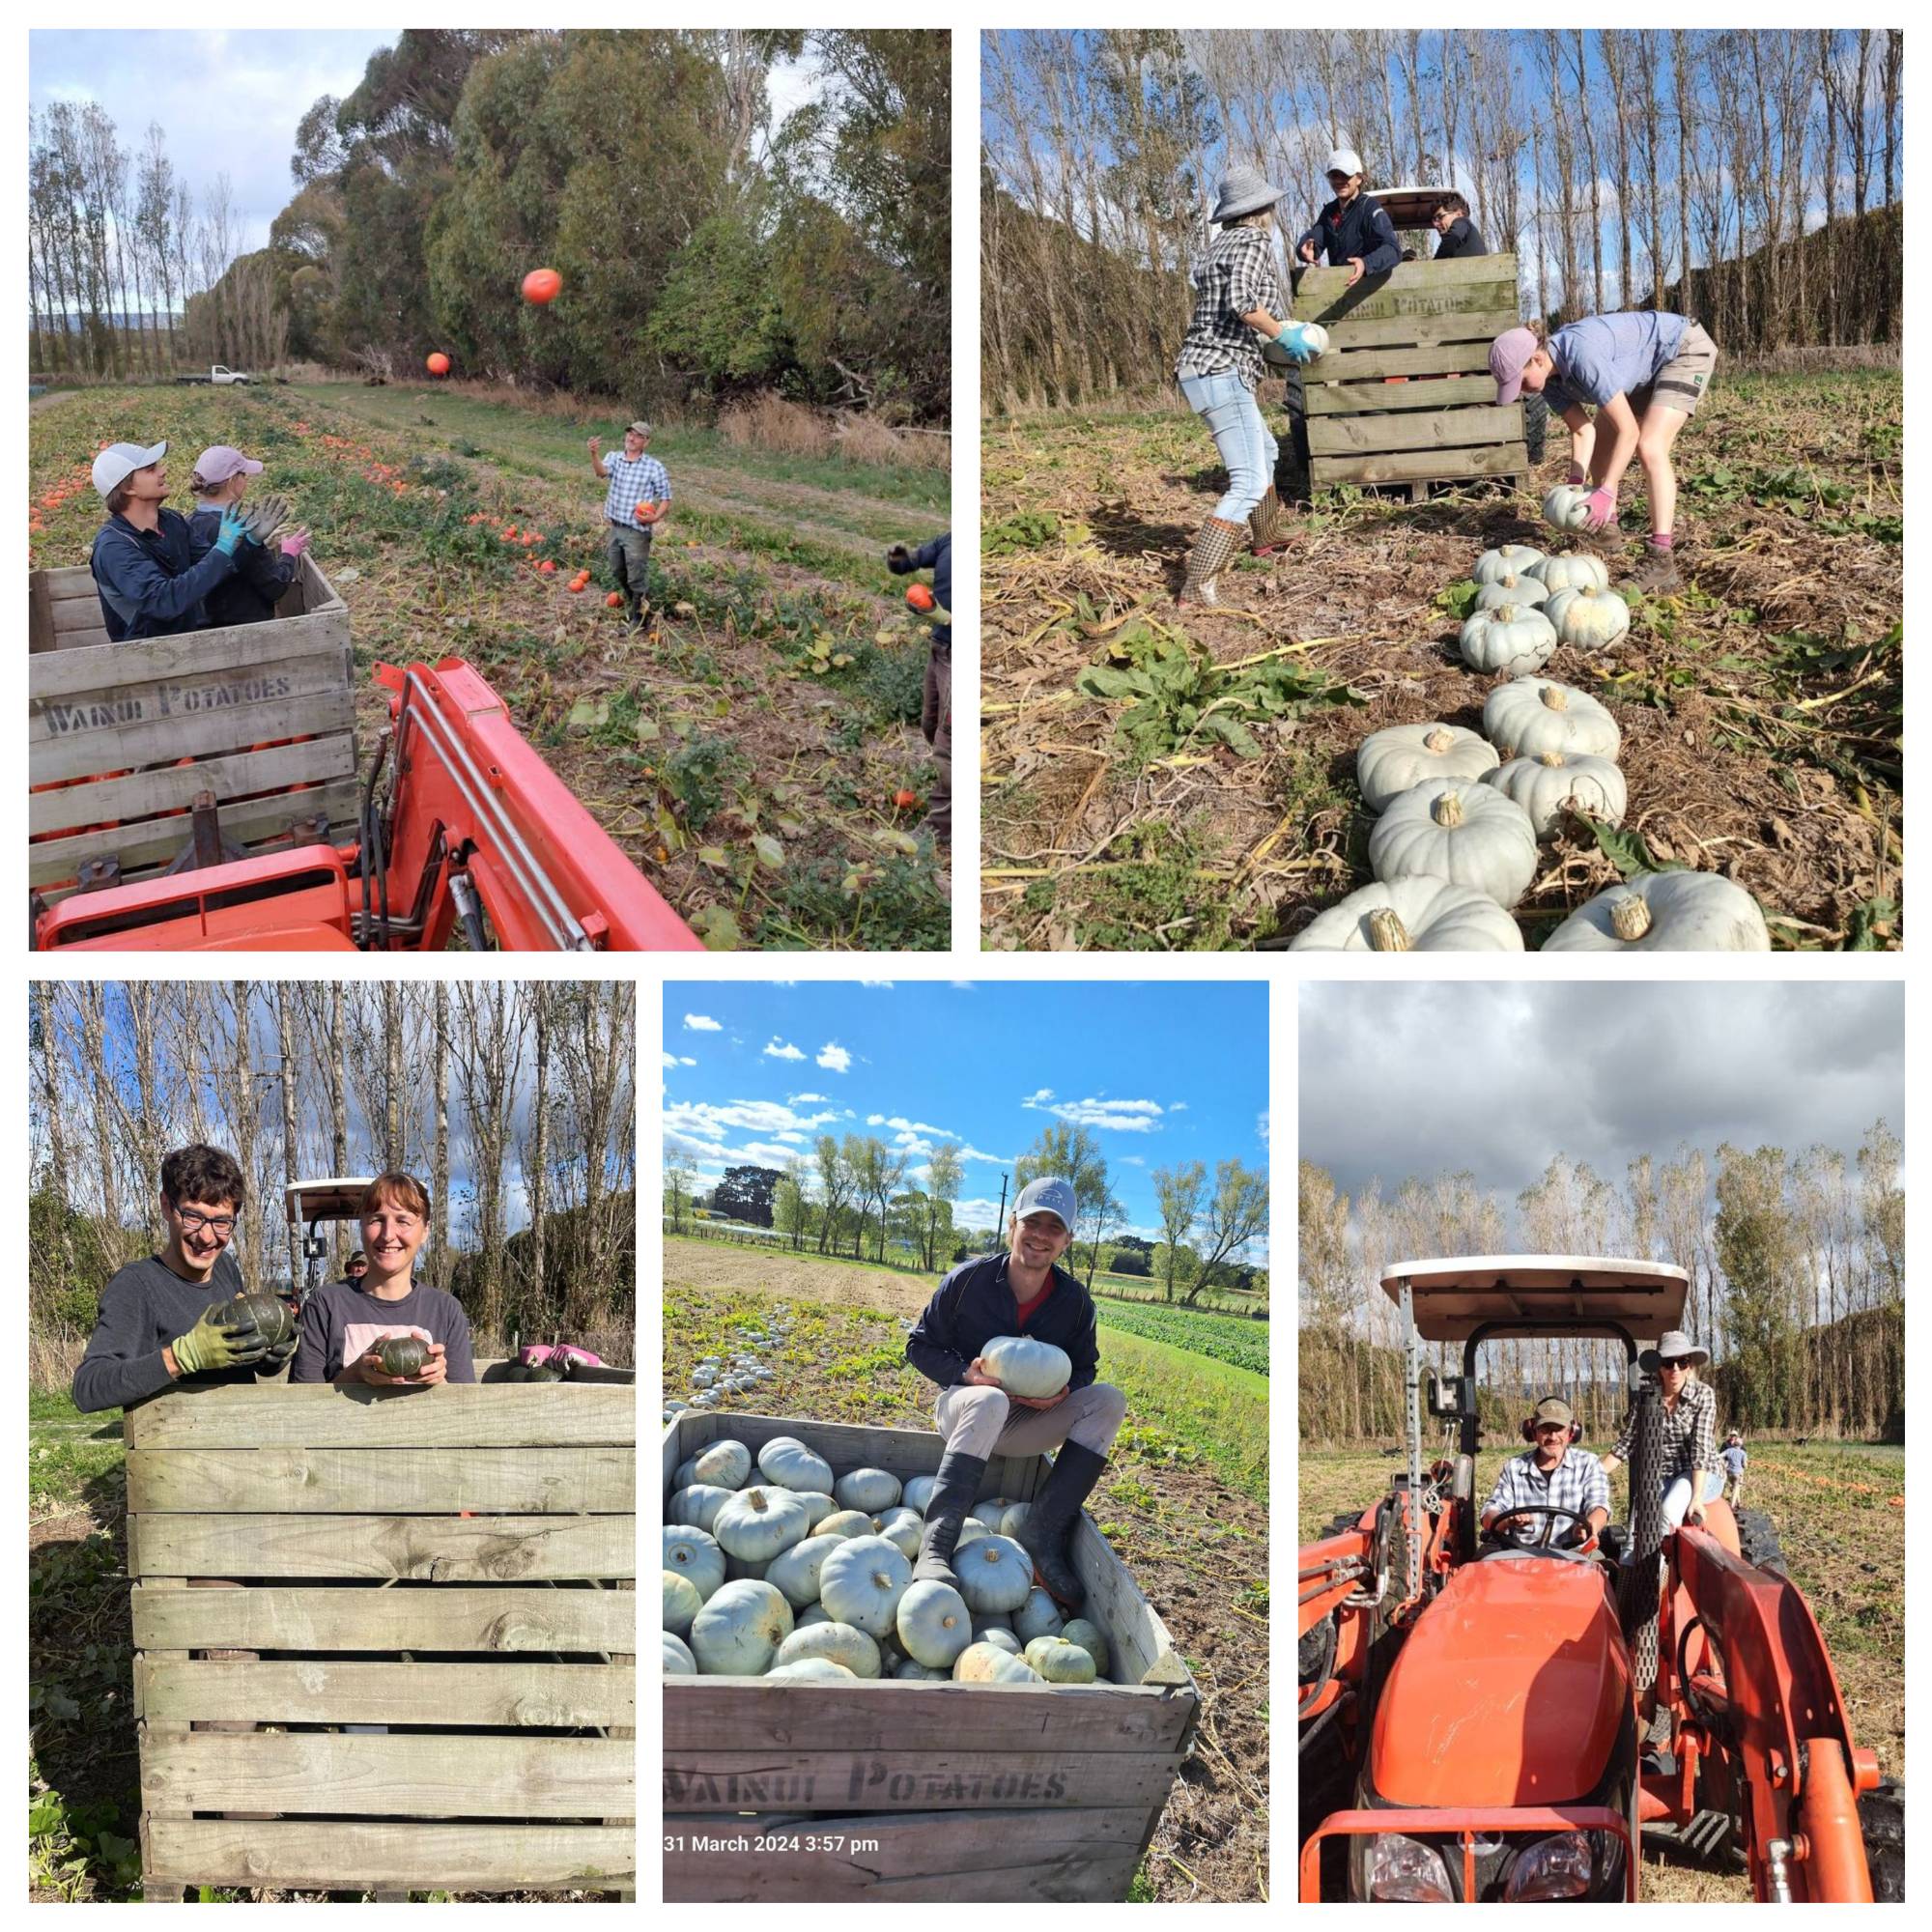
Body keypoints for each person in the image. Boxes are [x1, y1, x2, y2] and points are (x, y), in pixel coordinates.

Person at [903, 1178, 1127, 1610]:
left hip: (1028, 1424)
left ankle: (1042, 1533)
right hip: (966, 1412)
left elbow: (1085, 1368)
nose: (1041, 1235)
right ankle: (936, 1547)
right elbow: (919, 1345)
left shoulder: (1075, 1303)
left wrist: (1063, 1393)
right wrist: (964, 1375)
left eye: (1054, 1228)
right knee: (990, 1399)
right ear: (1013, 1225)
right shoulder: (969, 1281)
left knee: (1109, 1400)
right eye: (1033, 1221)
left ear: (1067, 1240)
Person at [1490, 311, 1719, 592]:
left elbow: (1629, 431)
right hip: (1640, 372)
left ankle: (1661, 558)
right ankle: (1607, 530)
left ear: (1537, 359)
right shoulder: (1549, 381)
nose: (1522, 391)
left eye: (1522, 381)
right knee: (1600, 453)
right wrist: (1575, 482)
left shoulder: (1582, 355)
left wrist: (1607, 490)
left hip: (1680, 350)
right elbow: (1582, 430)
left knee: (1650, 446)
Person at [1173, 165, 1312, 605]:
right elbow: (1244, 303)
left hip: (1205, 368)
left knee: (1267, 452)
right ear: (1261, 210)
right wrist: (1282, 335)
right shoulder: (1253, 241)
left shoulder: (1218, 245)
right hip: (1219, 371)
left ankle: (1266, 534)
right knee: (1248, 480)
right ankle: (1197, 585)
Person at [72, 1144, 298, 1413]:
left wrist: (269, 1356)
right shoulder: (136, 1285)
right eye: (193, 1216)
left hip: (242, 1439)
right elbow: (87, 1389)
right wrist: (183, 1356)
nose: (206, 1236)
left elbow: (232, 1365)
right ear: (166, 1206)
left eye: (222, 1222)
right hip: (176, 1447)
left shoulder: (226, 1267)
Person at [290, 1173, 475, 1386]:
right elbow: (302, 1402)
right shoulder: (325, 1304)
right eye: (377, 1219)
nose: (388, 1235)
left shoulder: (445, 1310)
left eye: (403, 1221)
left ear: (425, 1230)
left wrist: (439, 1381)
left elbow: (462, 1407)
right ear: (362, 1226)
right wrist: (356, 1374)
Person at [88, 440, 259, 641]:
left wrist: (250, 543)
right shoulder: (114, 547)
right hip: (146, 661)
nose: (163, 471)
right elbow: (164, 601)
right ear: (128, 488)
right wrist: (222, 549)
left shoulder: (171, 521)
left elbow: (213, 567)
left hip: (187, 643)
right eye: (151, 469)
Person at [1600, 1328, 1721, 1530]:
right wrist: (1593, 1474)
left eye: (1681, 1362)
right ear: (1658, 1367)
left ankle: (1660, 1561)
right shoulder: (1646, 1397)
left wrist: (1696, 1498)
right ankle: (1629, 1562)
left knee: (1668, 1510)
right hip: (1661, 1475)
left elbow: (1701, 1449)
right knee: (1638, 1522)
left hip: (1699, 1473)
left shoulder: (1703, 1395)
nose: (1674, 1368)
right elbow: (1627, 1443)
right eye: (1667, 1362)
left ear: (1689, 1365)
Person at [185, 445, 310, 626]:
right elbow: (274, 586)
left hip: (205, 625)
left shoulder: (189, 523)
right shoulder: (240, 533)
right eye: (243, 475)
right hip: (245, 629)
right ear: (231, 481)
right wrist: (288, 554)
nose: (246, 481)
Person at [887, 532, 952, 845]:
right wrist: (898, 558)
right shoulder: (948, 542)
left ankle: (943, 826)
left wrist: (943, 615)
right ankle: (948, 785)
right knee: (930, 724)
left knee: (950, 743)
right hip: (939, 648)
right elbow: (910, 563)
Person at [1480, 1396, 1611, 1548]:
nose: (1553, 1437)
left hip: (1574, 1553)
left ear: (1571, 1432)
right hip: (1520, 1555)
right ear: (1533, 1432)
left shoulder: (1588, 1463)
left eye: (1559, 1429)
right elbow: (1490, 1513)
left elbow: (1599, 1506)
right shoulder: (1514, 1467)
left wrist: (1588, 1526)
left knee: (1602, 1569)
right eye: (1545, 1429)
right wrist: (1507, 1520)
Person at [587, 420, 670, 627]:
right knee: (617, 570)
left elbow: (666, 497)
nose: (631, 438)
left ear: (646, 442)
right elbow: (601, 472)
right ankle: (637, 601)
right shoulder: (614, 458)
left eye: (638, 436)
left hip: (637, 531)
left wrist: (655, 517)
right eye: (630, 434)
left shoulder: (654, 467)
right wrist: (594, 454)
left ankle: (640, 618)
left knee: (635, 576)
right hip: (616, 527)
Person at [1293, 148, 1402, 284]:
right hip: (1341, 291)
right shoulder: (1329, 212)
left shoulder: (1369, 208)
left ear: (1359, 179)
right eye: (1334, 176)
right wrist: (1304, 249)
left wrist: (1365, 263)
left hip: (1370, 291)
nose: (1339, 181)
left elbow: (1393, 250)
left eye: (1345, 175)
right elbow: (1314, 239)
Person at [1431, 192, 1488, 259]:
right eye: (1434, 219)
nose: (1435, 224)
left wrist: (1436, 262)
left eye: (1440, 217)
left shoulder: (1462, 221)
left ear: (1459, 214)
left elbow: (1454, 237)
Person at [1720, 1431, 1747, 1506]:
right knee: (1735, 1485)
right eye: (1732, 1435)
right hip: (1728, 1465)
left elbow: (1719, 1455)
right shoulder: (1726, 1444)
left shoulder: (1741, 1448)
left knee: (1736, 1486)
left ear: (1736, 1436)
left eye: (1734, 1435)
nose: (1733, 1437)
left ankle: (1738, 1502)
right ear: (1730, 1436)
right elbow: (1722, 1455)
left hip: (1733, 1468)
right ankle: (1732, 1505)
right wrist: (1723, 1464)